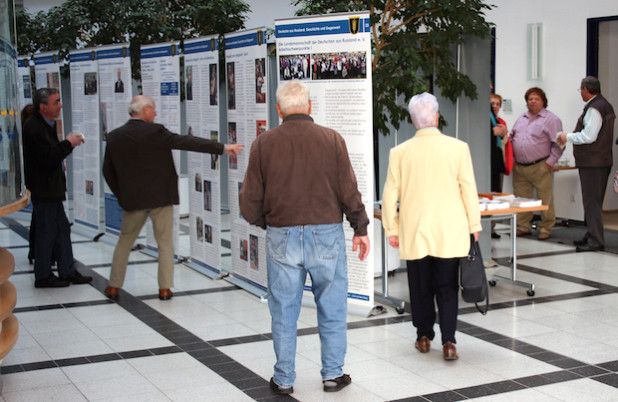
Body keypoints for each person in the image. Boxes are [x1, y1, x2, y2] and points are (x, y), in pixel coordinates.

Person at [239, 80, 370, 395]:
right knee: (332, 305)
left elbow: (249, 199)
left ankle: (284, 379)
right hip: (326, 233)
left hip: (282, 234)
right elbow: (348, 190)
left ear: (279, 109)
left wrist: (266, 223)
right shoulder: (332, 139)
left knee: (284, 309)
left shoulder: (263, 143)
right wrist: (360, 227)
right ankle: (333, 375)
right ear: (310, 106)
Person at [102, 95, 244, 300]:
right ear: (145, 110)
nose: (156, 113)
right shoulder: (155, 131)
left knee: (124, 241)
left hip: (132, 201)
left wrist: (122, 194)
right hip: (160, 198)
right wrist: (222, 148)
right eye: (154, 109)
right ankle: (165, 288)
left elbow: (107, 171)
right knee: (165, 243)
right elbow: (187, 141)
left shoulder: (115, 136)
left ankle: (113, 286)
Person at [382, 92, 481, 361]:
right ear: (437, 116)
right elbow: (468, 190)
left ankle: (423, 336)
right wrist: (474, 223)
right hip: (450, 231)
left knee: (420, 285)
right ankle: (449, 341)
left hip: (415, 232)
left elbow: (390, 193)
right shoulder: (458, 148)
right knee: (447, 287)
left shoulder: (399, 152)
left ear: (413, 121)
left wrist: (392, 228)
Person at [22, 88, 92, 288]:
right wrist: (69, 143)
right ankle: (43, 276)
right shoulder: (34, 127)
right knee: (46, 233)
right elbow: (48, 158)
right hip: (44, 189)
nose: (60, 105)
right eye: (56, 102)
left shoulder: (46, 124)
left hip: (50, 188)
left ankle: (67, 270)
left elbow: (51, 154)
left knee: (61, 230)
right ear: (43, 107)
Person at [557, 76, 615, 252]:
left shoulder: (595, 108)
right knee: (592, 201)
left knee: (592, 202)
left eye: (580, 90)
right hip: (600, 160)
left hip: (593, 162)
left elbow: (589, 136)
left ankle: (596, 239)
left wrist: (567, 136)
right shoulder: (603, 105)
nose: (580, 93)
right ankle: (591, 234)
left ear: (586, 90)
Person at [509, 87, 563, 240]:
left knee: (545, 199)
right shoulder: (521, 118)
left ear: (543, 101)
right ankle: (523, 226)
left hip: (540, 166)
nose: (532, 101)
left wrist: (550, 162)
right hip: (519, 167)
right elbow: (513, 137)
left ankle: (546, 228)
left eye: (536, 99)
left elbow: (559, 143)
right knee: (521, 199)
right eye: (530, 99)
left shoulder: (551, 119)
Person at [490, 94, 508, 239]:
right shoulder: (486, 119)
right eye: (492, 103)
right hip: (489, 163)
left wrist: (502, 133)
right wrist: (494, 132)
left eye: (497, 104)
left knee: (496, 195)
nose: (495, 106)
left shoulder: (499, 121)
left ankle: (492, 228)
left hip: (497, 163)